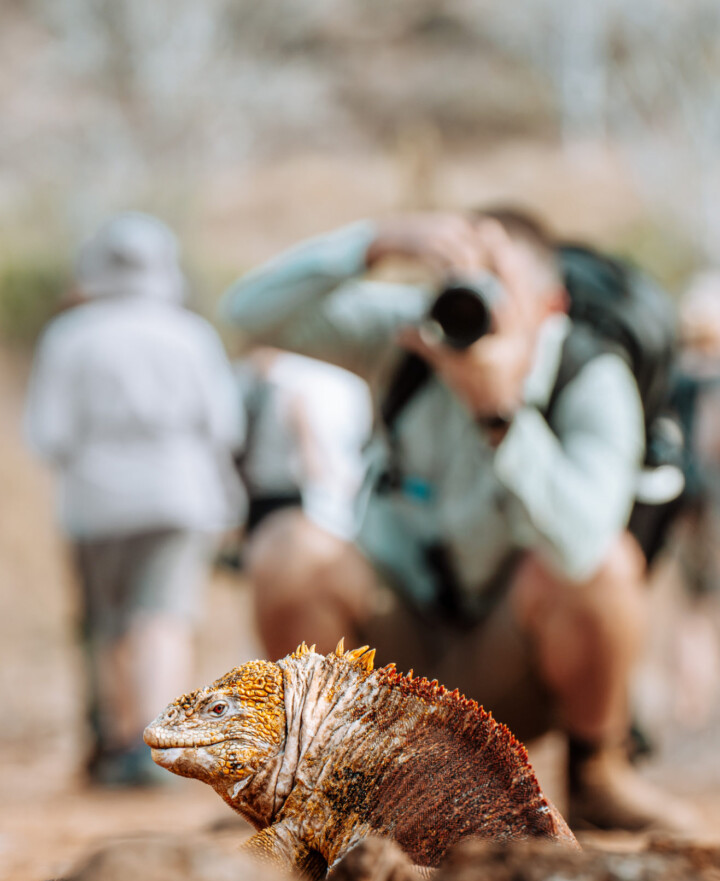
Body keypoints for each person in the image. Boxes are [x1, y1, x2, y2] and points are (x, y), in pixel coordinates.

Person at [220, 210, 695, 832]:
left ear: (552, 306)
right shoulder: (412, 336)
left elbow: (583, 550)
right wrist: (378, 244)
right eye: (461, 279)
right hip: (400, 658)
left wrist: (500, 414)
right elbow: (248, 314)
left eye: (498, 281)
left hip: (520, 664)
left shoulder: (592, 376)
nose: (475, 298)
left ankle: (597, 774)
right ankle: (330, 790)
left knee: (608, 565)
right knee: (288, 547)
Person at [25, 212, 244, 786]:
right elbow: (225, 425)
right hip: (179, 492)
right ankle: (160, 748)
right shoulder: (190, 332)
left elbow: (47, 434)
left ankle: (118, 743)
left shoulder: (69, 335)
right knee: (164, 614)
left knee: (107, 623)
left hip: (94, 501)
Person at [235, 347, 373, 539]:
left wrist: (317, 474)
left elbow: (308, 441)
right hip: (289, 491)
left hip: (285, 492)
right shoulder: (340, 388)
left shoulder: (292, 387)